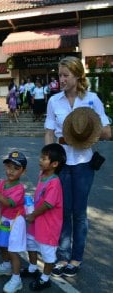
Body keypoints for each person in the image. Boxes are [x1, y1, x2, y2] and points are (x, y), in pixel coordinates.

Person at [44, 56, 111, 278]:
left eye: (66, 75)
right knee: (62, 211)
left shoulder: (92, 99)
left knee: (79, 213)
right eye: (59, 75)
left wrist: (87, 129)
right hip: (62, 162)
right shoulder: (54, 101)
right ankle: (62, 256)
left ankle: (76, 258)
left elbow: (108, 132)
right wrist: (48, 162)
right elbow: (49, 132)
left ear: (77, 76)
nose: (61, 79)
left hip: (83, 164)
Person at [22, 143, 66, 291]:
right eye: (41, 157)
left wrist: (32, 215)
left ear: (54, 164)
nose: (40, 160)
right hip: (37, 223)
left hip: (48, 226)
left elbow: (48, 204)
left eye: (44, 158)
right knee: (31, 245)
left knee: (48, 255)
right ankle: (33, 268)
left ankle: (45, 279)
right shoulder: (42, 175)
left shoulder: (54, 182)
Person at [0, 151, 27, 293]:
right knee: (2, 244)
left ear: (23, 171)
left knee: (13, 250)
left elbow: (7, 202)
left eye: (16, 168)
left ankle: (17, 279)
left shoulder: (19, 189)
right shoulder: (2, 184)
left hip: (16, 222)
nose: (11, 171)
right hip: (5, 220)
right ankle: (6, 266)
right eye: (9, 167)